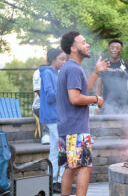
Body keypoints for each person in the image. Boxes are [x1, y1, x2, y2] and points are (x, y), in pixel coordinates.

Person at [58, 30, 109, 196]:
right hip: (76, 127)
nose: (87, 45)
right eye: (83, 42)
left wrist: (96, 72)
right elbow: (75, 98)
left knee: (70, 168)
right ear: (73, 48)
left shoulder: (70, 67)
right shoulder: (73, 69)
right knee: (84, 167)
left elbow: (82, 90)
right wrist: (96, 99)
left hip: (67, 127)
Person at [39, 48, 66, 193]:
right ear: (53, 59)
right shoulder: (47, 73)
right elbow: (50, 96)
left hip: (54, 116)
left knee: (55, 150)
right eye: (62, 59)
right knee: (63, 149)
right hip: (52, 117)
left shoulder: (54, 73)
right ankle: (60, 182)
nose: (64, 62)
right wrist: (66, 89)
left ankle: (52, 181)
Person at [95, 39, 128, 114]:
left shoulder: (126, 66)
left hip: (124, 105)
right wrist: (97, 105)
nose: (115, 50)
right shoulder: (104, 65)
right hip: (107, 104)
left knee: (125, 125)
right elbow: (98, 87)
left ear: (121, 51)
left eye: (117, 48)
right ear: (109, 50)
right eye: (112, 48)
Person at [32, 67, 49, 144]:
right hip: (39, 104)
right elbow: (38, 91)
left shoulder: (60, 71)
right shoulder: (38, 72)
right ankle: (46, 135)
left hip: (56, 104)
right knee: (45, 107)